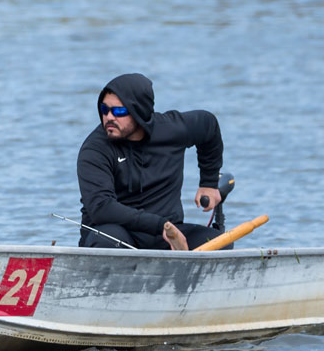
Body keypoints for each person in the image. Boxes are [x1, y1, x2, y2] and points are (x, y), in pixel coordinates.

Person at [75, 72, 224, 251]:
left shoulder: (172, 129)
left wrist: (209, 182)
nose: (109, 117)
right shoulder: (95, 150)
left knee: (219, 242)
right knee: (107, 241)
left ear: (139, 111)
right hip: (117, 233)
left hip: (167, 236)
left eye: (119, 111)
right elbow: (101, 208)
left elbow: (209, 126)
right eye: (104, 110)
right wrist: (160, 225)